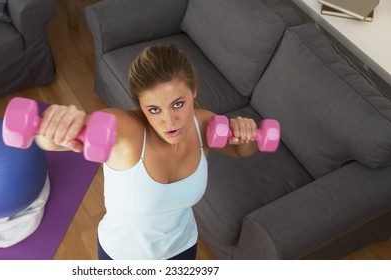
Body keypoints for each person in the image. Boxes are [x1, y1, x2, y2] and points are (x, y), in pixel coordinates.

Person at [35, 44, 258, 260]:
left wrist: (246, 133)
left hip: (182, 246)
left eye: (178, 104)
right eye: (154, 109)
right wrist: (54, 129)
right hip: (123, 257)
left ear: (194, 91)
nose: (169, 121)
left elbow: (242, 151)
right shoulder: (126, 130)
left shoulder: (205, 123)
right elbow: (53, 140)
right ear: (139, 107)